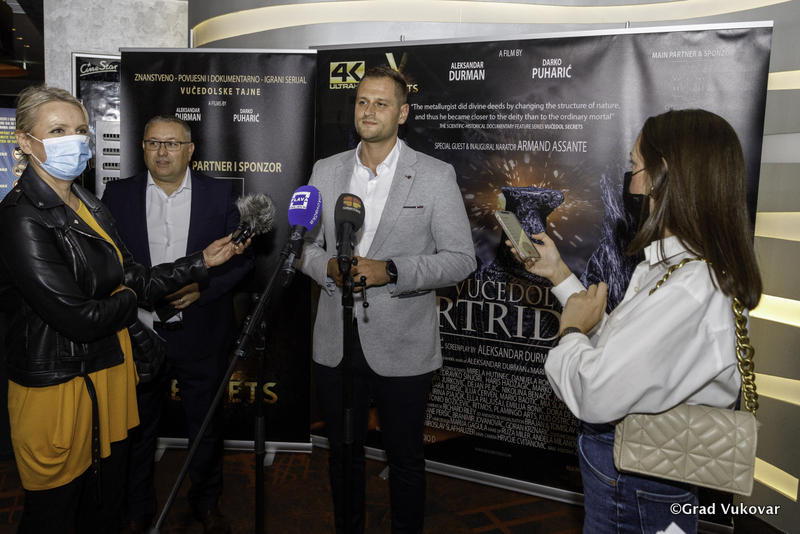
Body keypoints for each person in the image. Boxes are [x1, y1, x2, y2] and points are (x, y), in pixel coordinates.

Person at [0, 85, 247, 534]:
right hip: (61, 383)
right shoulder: (21, 216)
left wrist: (201, 264)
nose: (74, 140)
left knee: (101, 504)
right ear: (25, 141)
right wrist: (140, 303)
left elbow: (132, 276)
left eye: (80, 130)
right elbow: (81, 317)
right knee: (57, 511)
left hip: (107, 372)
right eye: (57, 131)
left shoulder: (88, 203)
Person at [510, 109, 762, 534]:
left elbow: (596, 390)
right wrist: (558, 274)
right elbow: (629, 355)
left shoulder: (689, 289)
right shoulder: (682, 269)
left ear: (664, 175)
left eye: (636, 167)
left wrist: (571, 332)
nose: (631, 184)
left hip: (635, 484)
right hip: (641, 474)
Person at [298, 66, 476, 534]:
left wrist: (390, 271)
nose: (369, 111)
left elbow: (461, 259)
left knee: (405, 460)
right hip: (336, 343)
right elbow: (303, 247)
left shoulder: (435, 175)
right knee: (343, 456)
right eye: (362, 101)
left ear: (402, 113)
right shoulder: (326, 170)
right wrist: (328, 267)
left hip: (404, 345)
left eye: (381, 103)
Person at [102, 116, 253, 534]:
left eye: (172, 143)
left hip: (200, 332)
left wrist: (202, 291)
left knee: (205, 427)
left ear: (190, 151)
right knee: (137, 429)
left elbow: (242, 261)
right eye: (153, 143)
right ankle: (137, 510)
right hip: (139, 333)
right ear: (143, 148)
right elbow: (105, 262)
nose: (162, 151)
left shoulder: (219, 194)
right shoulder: (117, 194)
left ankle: (206, 503)